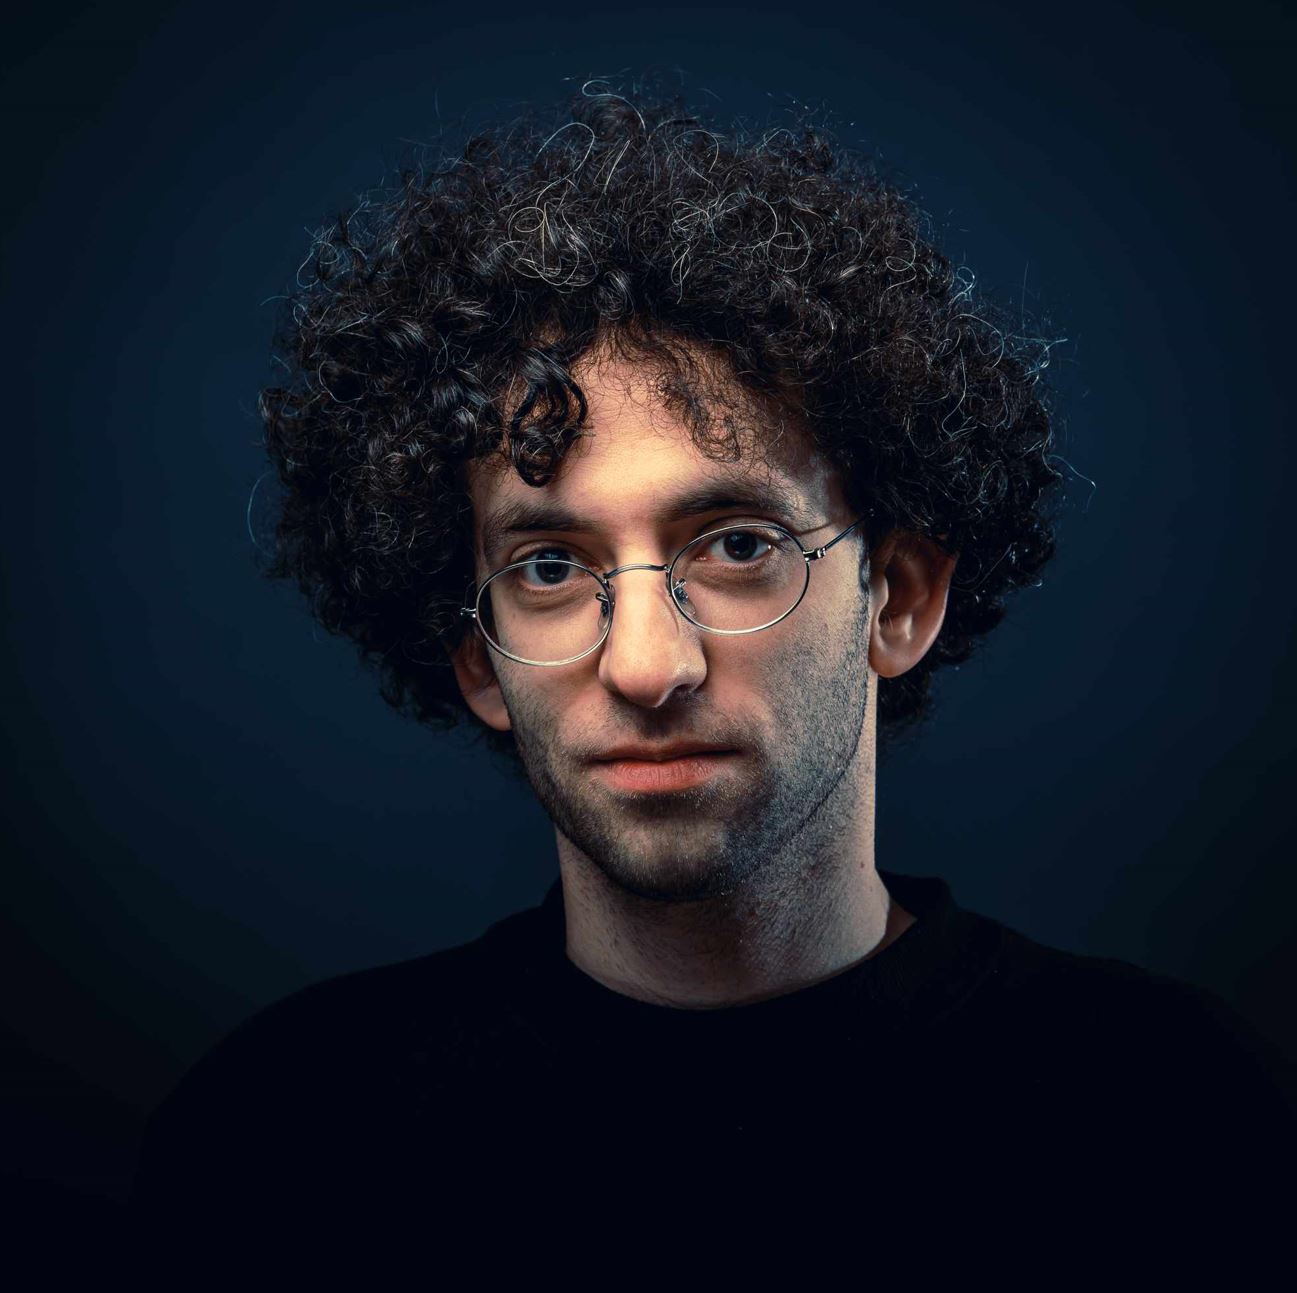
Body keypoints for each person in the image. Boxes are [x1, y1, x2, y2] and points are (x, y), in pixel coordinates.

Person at [129, 83, 1294, 1277]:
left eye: (737, 546)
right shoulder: (282, 1141)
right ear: (477, 657)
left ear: (894, 598)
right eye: (547, 566)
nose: (645, 664)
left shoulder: (1179, 1117)